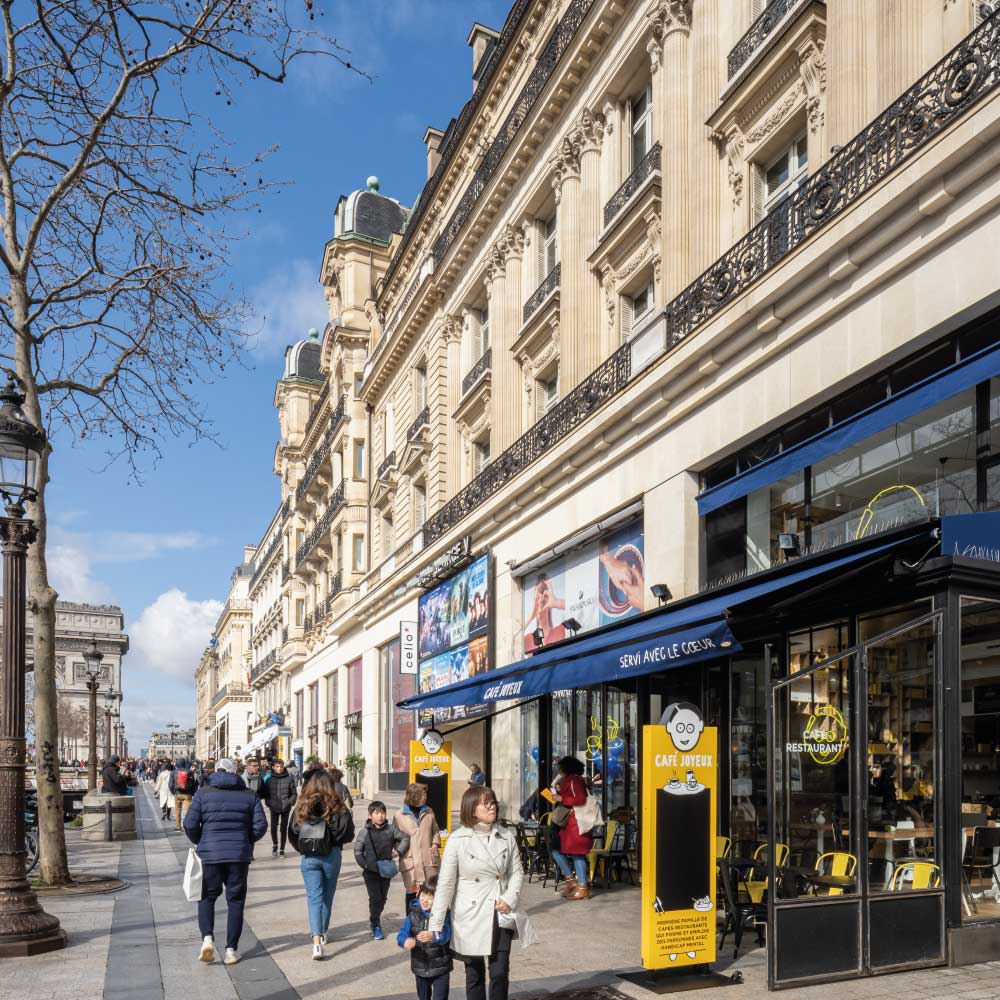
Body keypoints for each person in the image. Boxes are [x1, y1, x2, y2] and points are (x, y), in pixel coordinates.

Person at [429, 785, 523, 1000]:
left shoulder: (506, 836)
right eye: (486, 803)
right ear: (472, 809)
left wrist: (509, 898)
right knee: (474, 974)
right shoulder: (458, 839)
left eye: (493, 802)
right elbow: (446, 883)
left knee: (500, 972)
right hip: (470, 914)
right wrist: (436, 920)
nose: (492, 807)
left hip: (500, 912)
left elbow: (517, 872)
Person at [183, 757, 267, 966]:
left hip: (210, 853)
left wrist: (200, 840)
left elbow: (190, 823)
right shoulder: (249, 795)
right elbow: (261, 825)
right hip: (238, 854)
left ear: (216, 771)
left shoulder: (202, 794)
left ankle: (207, 939)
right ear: (235, 772)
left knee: (207, 897)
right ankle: (231, 950)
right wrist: (246, 840)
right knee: (235, 900)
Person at [289, 769, 355, 960]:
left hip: (309, 857)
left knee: (313, 898)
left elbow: (292, 831)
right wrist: (334, 840)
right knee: (327, 895)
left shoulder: (301, 805)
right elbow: (348, 833)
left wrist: (303, 847)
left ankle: (316, 943)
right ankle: (323, 932)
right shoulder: (338, 806)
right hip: (332, 855)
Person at [354, 799, 409, 940]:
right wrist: (365, 865)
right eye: (377, 813)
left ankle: (375, 917)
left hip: (385, 870)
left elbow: (405, 838)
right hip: (370, 872)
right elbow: (358, 851)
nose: (380, 816)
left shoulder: (391, 829)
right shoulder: (364, 832)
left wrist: (397, 851)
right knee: (375, 898)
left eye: (383, 813)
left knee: (383, 897)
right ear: (370, 815)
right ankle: (375, 924)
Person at [398, 878, 452, 1000]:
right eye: (423, 895)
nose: (425, 900)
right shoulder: (412, 915)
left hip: (441, 968)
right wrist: (404, 941)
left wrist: (433, 935)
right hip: (420, 967)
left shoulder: (444, 915)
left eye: (430, 897)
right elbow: (402, 933)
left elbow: (447, 935)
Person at [549, 755, 593, 900]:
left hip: (575, 823)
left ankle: (582, 887)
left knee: (577, 853)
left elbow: (580, 799)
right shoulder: (573, 779)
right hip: (570, 823)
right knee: (564, 851)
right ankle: (574, 883)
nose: (559, 769)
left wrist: (561, 798)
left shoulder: (573, 780)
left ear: (567, 767)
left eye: (561, 767)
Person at [394, 782, 441, 912]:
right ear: (415, 797)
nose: (426, 797)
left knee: (429, 892)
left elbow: (436, 830)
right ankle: (411, 922)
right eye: (423, 794)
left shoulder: (429, 811)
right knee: (412, 893)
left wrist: (435, 844)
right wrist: (398, 850)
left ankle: (428, 923)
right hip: (411, 862)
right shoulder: (399, 815)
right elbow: (395, 838)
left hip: (428, 860)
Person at [262, 758, 297, 857]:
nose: (279, 768)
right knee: (273, 827)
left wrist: (290, 802)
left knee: (283, 828)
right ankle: (275, 845)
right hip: (274, 807)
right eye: (277, 766)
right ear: (273, 767)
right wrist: (269, 803)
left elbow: (294, 793)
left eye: (281, 766)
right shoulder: (269, 779)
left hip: (286, 807)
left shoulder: (289, 778)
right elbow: (266, 794)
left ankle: (282, 848)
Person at [170, 758, 198, 832]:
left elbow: (170, 784)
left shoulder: (173, 772)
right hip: (187, 794)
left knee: (177, 810)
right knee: (188, 811)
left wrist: (174, 792)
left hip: (178, 794)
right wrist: (192, 793)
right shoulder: (190, 772)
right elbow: (194, 784)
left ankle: (178, 827)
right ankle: (188, 826)